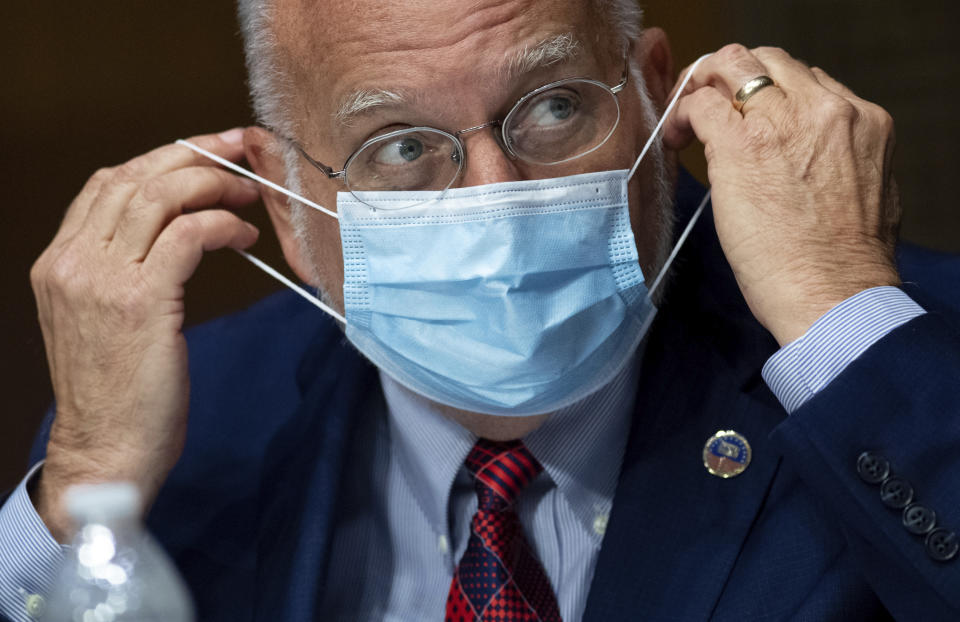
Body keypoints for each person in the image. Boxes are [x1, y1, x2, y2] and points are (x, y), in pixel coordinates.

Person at [1, 0, 958, 620]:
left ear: (656, 101)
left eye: (552, 108)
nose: (493, 196)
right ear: (291, 208)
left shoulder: (888, 350)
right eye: (403, 147)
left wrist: (840, 315)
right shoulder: (192, 419)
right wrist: (81, 478)